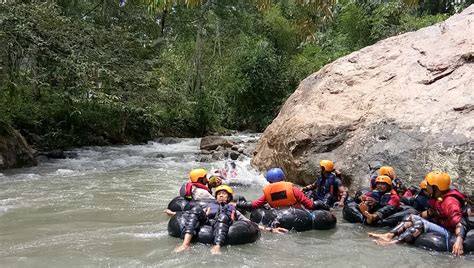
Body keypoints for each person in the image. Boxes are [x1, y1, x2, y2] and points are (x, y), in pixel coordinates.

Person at [368, 171, 468, 256]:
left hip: (450, 232)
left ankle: (394, 242)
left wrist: (459, 241)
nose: (426, 188)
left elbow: (459, 222)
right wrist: (414, 218)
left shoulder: (450, 202)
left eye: (428, 185)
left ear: (436, 187)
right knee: (412, 217)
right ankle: (388, 235)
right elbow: (429, 213)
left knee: (420, 223)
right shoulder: (438, 198)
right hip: (443, 226)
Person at [171, 185, 287, 254]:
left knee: (223, 216)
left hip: (224, 223)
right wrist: (173, 213)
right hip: (208, 222)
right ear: (215, 197)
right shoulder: (209, 205)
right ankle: (185, 244)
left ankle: (217, 246)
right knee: (196, 209)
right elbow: (190, 214)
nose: (221, 195)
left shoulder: (232, 209)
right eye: (219, 194)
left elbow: (249, 222)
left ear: (229, 197)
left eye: (224, 194)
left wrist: (271, 229)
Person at [237, 167, 327, 211]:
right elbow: (310, 205)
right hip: (297, 214)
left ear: (269, 181)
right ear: (282, 178)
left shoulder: (267, 193)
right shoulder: (293, 189)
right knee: (311, 195)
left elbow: (255, 204)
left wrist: (238, 204)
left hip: (279, 216)